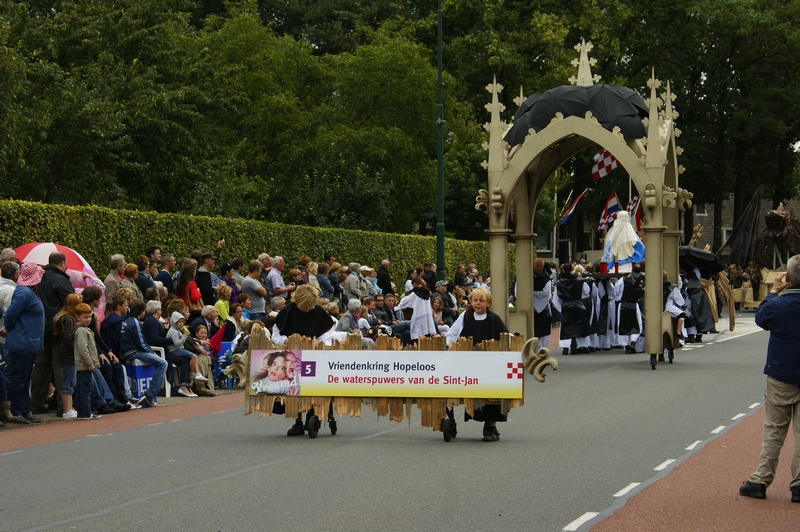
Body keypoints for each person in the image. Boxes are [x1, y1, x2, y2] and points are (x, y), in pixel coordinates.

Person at [739, 257, 800, 503]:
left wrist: (773, 291)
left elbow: (761, 319)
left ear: (787, 276)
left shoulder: (778, 305)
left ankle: (760, 481)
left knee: (774, 431)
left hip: (781, 375)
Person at [445, 287, 509, 441]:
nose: (478, 303)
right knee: (473, 394)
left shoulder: (494, 319)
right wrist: (450, 347)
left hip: (490, 366)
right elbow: (452, 334)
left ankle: (491, 428)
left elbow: (507, 338)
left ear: (488, 303)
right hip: (469, 365)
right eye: (475, 300)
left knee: (492, 397)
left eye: (481, 301)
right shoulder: (465, 317)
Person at [31, 251, 74, 416]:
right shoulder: (61, 279)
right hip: (58, 327)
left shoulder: (38, 279)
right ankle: (63, 404)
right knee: (59, 364)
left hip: (41, 327)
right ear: (62, 262)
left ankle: (36, 402)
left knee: (41, 365)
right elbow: (70, 302)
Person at [2, 262, 45, 423]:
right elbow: (10, 314)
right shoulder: (24, 293)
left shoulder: (30, 291)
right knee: (19, 378)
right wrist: (10, 328)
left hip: (28, 341)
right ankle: (17, 411)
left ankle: (25, 410)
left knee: (25, 377)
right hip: (22, 341)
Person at [119, 299, 168, 407]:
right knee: (162, 363)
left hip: (128, 351)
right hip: (132, 352)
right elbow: (141, 342)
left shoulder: (127, 320)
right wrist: (152, 352)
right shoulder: (135, 323)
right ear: (142, 311)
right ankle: (150, 393)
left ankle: (150, 393)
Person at [396, 276, 438, 342]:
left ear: (414, 284)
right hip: (427, 318)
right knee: (427, 338)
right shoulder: (427, 293)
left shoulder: (414, 294)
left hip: (418, 317)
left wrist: (402, 299)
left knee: (417, 338)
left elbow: (403, 303)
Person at [532, 258, 553, 352]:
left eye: (541, 267)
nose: (539, 268)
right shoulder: (526, 275)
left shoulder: (547, 278)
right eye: (537, 266)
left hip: (543, 308)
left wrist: (532, 293)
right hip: (531, 307)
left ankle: (541, 350)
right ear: (533, 265)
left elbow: (545, 293)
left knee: (544, 332)